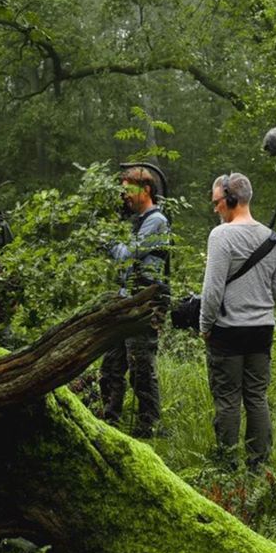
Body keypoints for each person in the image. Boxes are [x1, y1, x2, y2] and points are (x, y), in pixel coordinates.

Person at [200, 172, 276, 469]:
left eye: (217, 203)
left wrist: (204, 325)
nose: (216, 209)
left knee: (228, 399)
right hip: (262, 329)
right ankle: (259, 465)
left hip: (228, 330)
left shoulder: (221, 236)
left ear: (230, 200)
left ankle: (227, 465)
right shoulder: (272, 238)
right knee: (256, 396)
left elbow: (212, 290)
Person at [100, 164, 172, 437]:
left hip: (144, 303)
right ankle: (110, 422)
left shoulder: (156, 221)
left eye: (128, 190)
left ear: (146, 190)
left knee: (141, 367)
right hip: (126, 301)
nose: (124, 196)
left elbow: (128, 255)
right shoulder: (135, 221)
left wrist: (109, 242)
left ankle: (148, 427)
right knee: (111, 366)